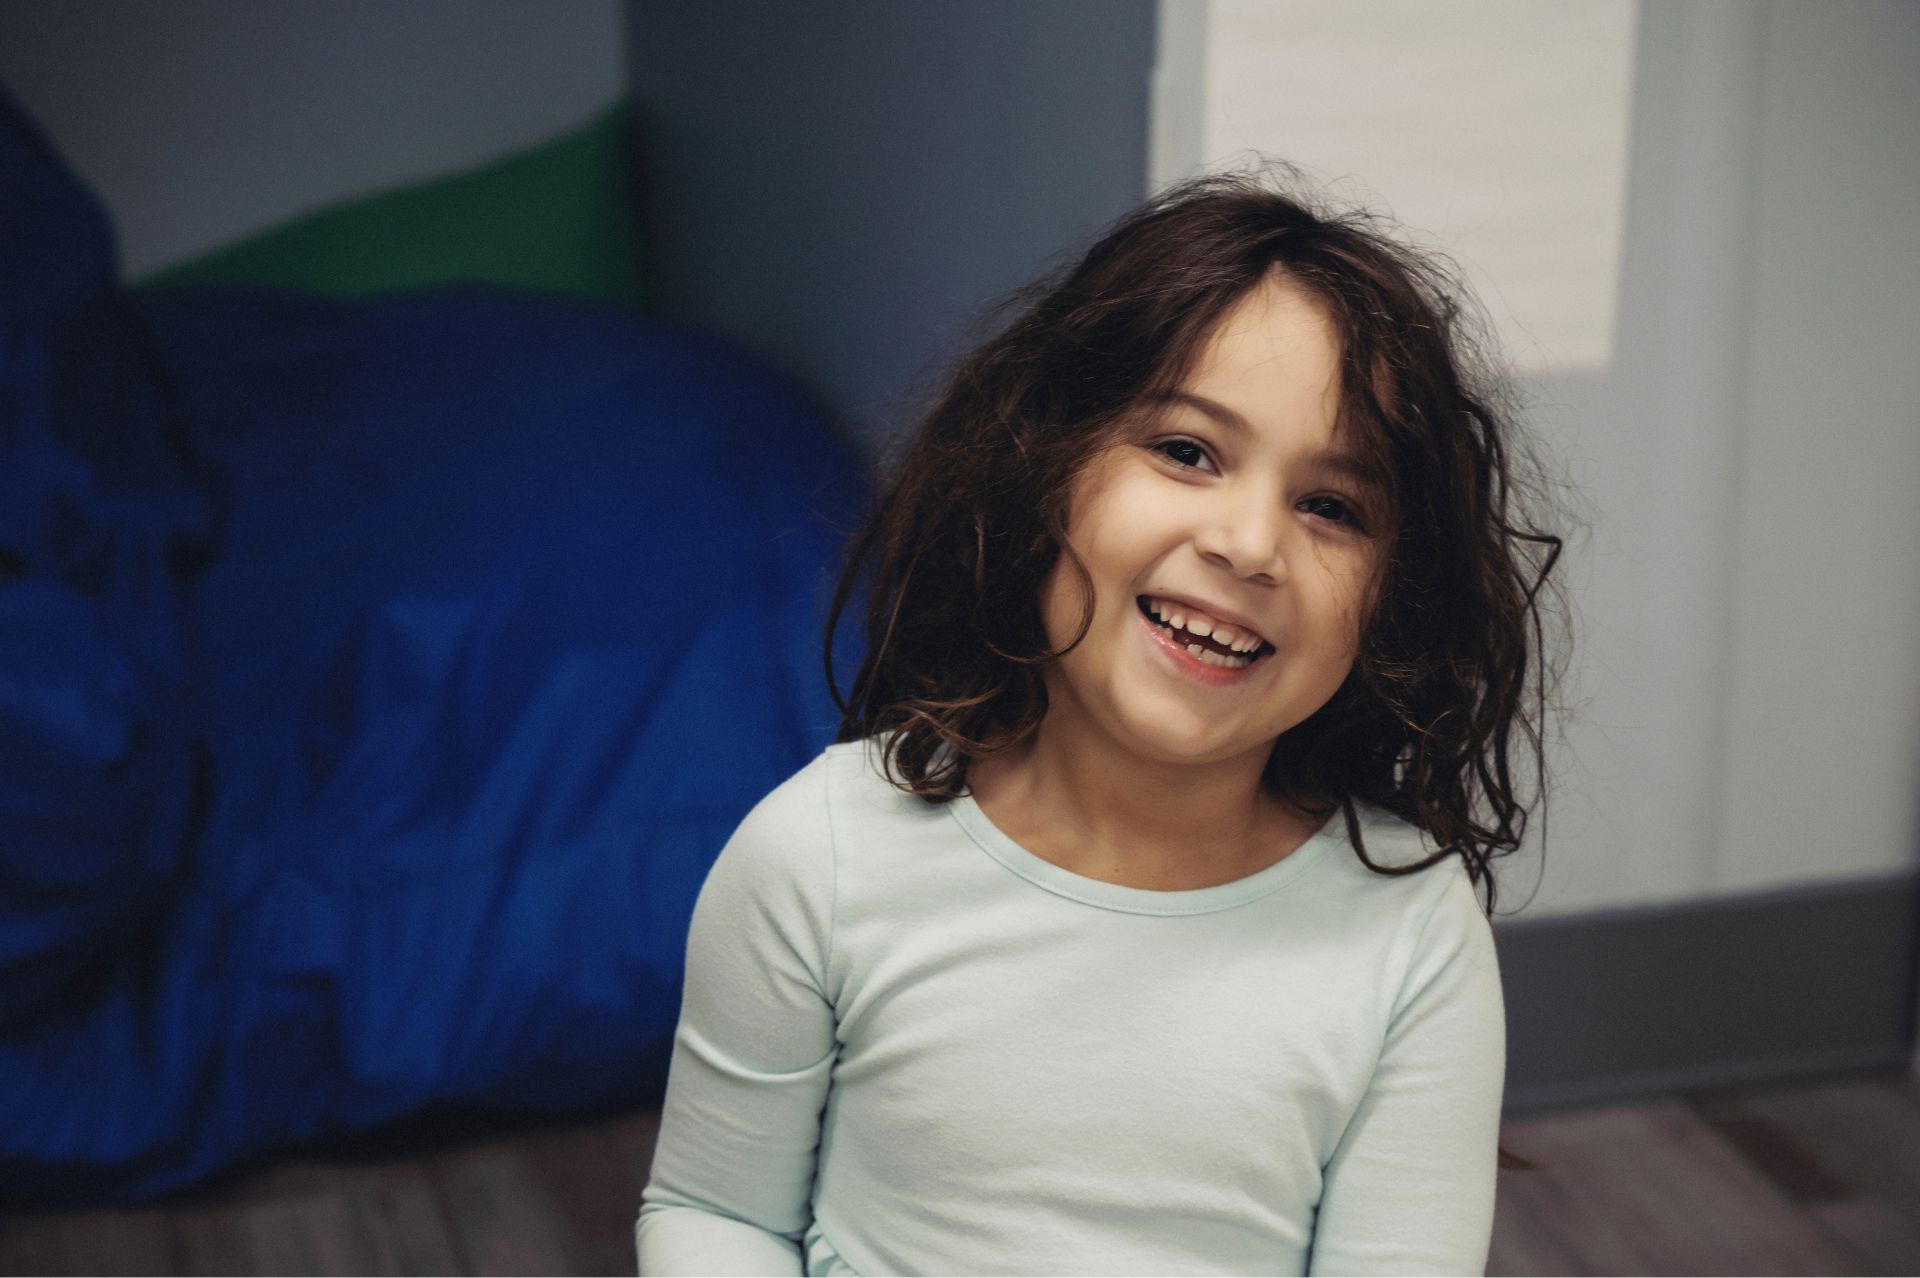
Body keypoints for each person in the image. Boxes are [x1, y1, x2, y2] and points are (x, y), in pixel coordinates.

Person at [635, 167, 1573, 1276]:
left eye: (1331, 507)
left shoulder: (1410, 930)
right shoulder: (821, 855)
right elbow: (717, 1213)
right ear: (1046, 471)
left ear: (1393, 604)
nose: (1248, 544)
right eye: (1188, 451)